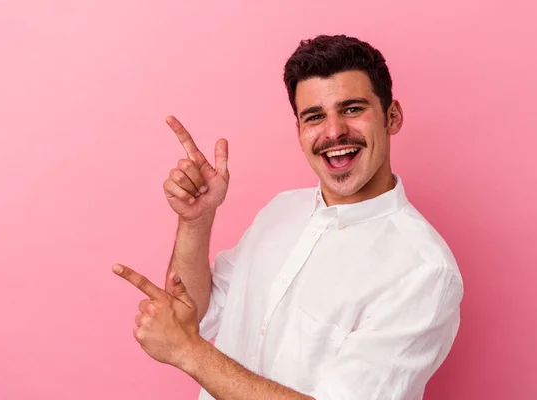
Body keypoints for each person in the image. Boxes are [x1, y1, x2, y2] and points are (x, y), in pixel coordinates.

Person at [113, 34, 464, 400]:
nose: (333, 131)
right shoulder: (281, 210)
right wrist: (196, 220)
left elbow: (188, 340)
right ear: (299, 130)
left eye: (353, 109)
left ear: (392, 117)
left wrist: (188, 353)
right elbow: (197, 312)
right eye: (314, 116)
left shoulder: (424, 271)